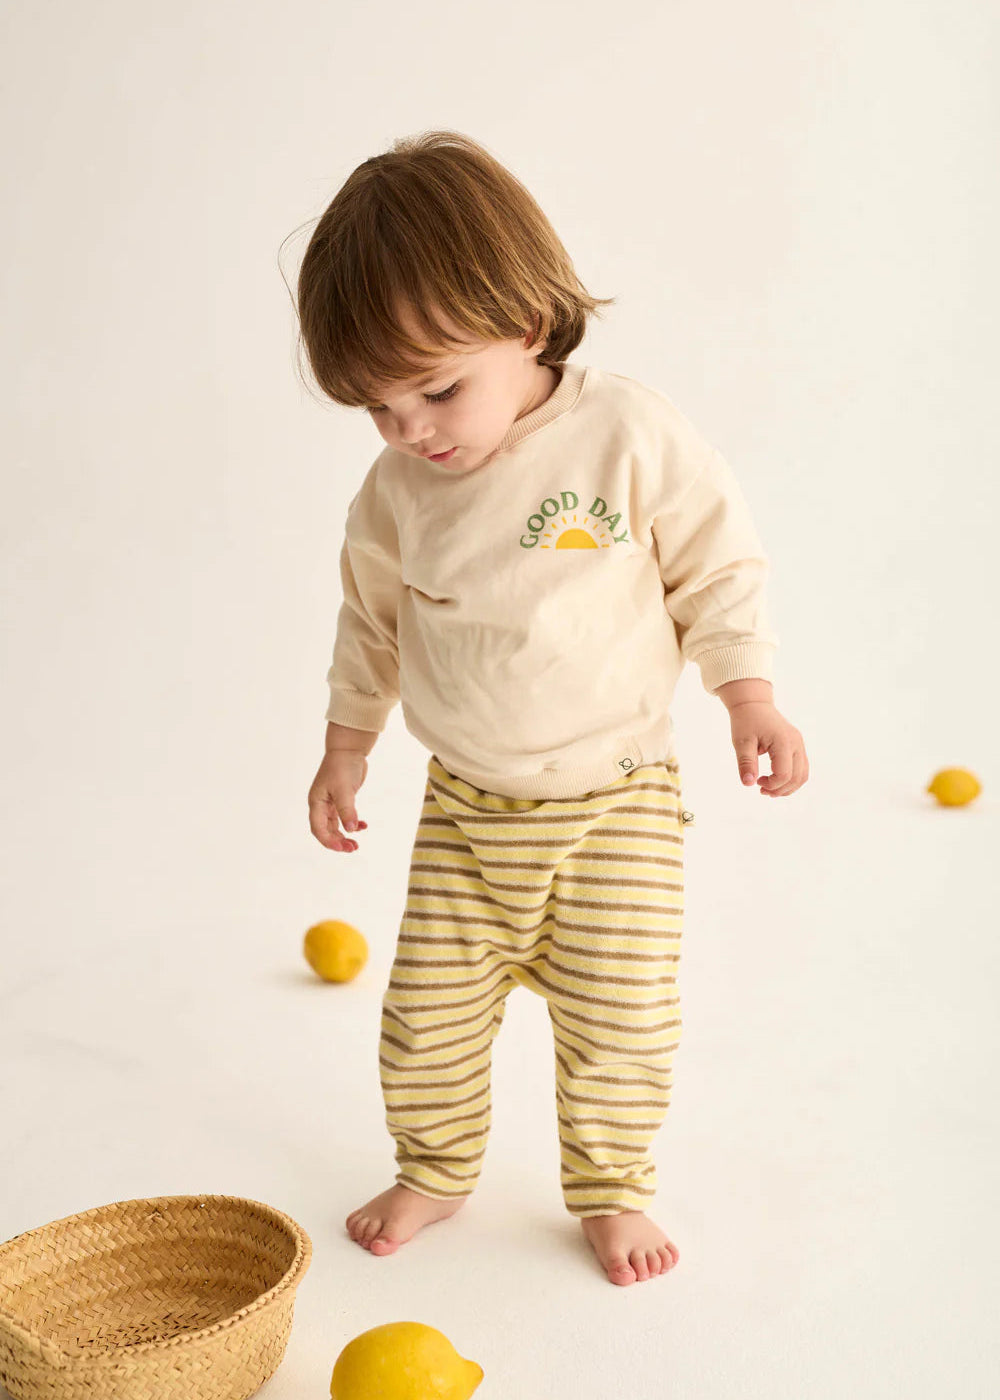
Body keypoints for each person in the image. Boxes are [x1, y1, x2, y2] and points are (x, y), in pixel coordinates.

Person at [297, 130, 809, 1287]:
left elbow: (717, 565)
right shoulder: (395, 494)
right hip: (466, 810)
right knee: (424, 1018)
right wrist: (345, 745)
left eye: (435, 389)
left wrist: (749, 693)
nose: (413, 429)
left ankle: (613, 1182)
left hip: (614, 802)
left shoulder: (623, 434)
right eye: (378, 409)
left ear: (526, 322)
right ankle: (435, 1165)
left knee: (618, 1023)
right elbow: (368, 622)